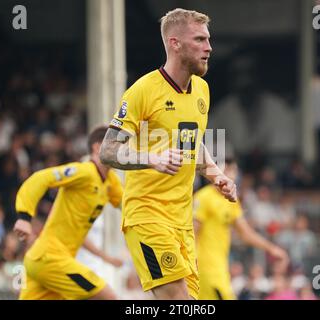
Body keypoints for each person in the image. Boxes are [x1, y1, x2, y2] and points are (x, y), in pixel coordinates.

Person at [100, 8, 237, 300]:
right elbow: (108, 150)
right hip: (148, 216)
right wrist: (152, 158)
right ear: (175, 43)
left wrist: (216, 175)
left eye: (208, 39)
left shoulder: (201, 89)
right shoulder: (143, 91)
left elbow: (193, 143)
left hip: (182, 222)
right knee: (179, 301)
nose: (209, 48)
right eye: (199, 39)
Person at [13, 126, 123, 300]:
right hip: (50, 259)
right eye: (117, 144)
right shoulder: (84, 172)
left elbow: (128, 205)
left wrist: (106, 258)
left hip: (49, 262)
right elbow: (40, 178)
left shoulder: (110, 181)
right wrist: (24, 217)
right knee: (108, 297)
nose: (122, 150)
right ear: (97, 147)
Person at [194, 158, 289, 300]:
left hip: (221, 267)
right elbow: (192, 232)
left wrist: (271, 248)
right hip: (205, 268)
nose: (233, 175)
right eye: (231, 171)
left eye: (235, 172)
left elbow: (246, 233)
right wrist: (192, 264)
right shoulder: (203, 198)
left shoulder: (230, 199)